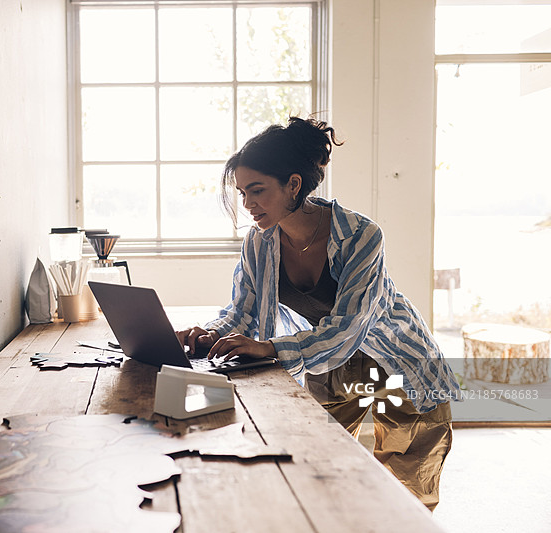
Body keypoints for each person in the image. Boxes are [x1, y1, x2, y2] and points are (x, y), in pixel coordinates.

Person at [175, 116, 461, 511]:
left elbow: (347, 328)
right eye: (242, 192)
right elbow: (241, 312)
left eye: (256, 190)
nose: (247, 204)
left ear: (293, 184)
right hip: (332, 367)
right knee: (315, 481)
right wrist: (207, 334)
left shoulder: (361, 235)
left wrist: (270, 348)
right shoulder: (261, 241)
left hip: (403, 367)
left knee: (405, 503)